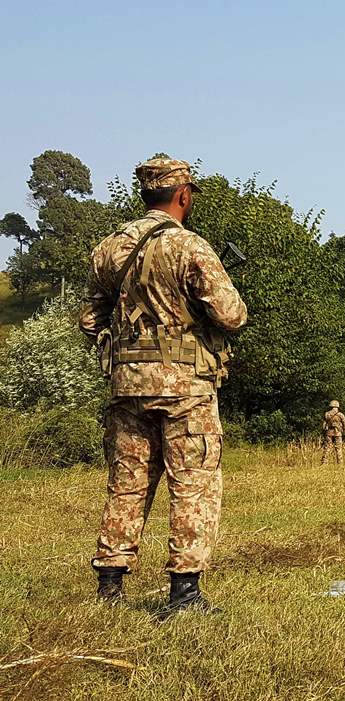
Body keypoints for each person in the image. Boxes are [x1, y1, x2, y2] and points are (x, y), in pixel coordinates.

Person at [80, 157, 247, 612]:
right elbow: (231, 314)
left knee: (127, 483)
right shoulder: (189, 246)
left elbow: (90, 318)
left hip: (126, 386)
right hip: (185, 388)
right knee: (193, 483)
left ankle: (110, 588)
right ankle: (185, 593)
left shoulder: (110, 249)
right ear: (184, 194)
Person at [321, 400, 345, 464]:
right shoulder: (340, 415)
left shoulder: (327, 414)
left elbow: (323, 426)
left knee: (327, 448)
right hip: (338, 433)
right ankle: (340, 463)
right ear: (337, 406)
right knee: (338, 448)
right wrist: (342, 429)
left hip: (329, 433)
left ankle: (324, 462)